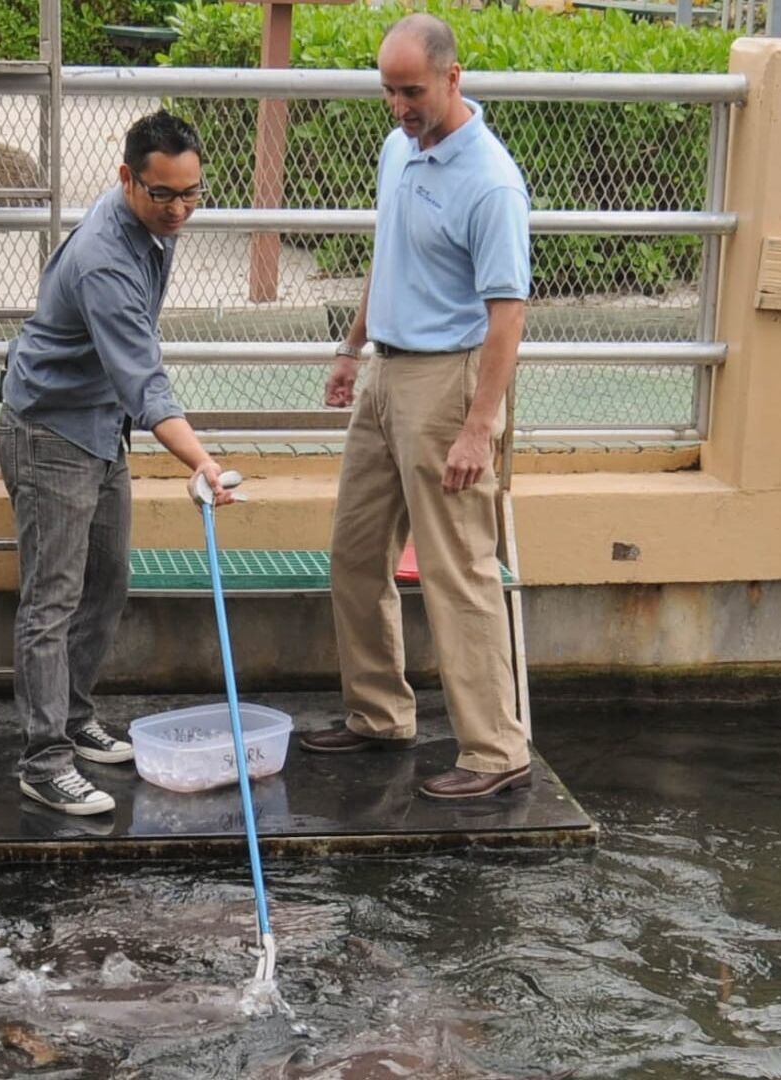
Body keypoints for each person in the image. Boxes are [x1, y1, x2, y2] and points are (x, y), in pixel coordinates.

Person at [298, 13, 533, 801]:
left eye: (413, 91)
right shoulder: (398, 147)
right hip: (385, 372)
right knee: (355, 552)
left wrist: (479, 427)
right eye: (389, 90)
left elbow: (508, 317)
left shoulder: (491, 182)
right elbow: (386, 251)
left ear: (453, 78)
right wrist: (350, 347)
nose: (399, 105)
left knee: (457, 569)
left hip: (448, 383)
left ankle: (496, 750)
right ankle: (378, 714)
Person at [0, 110, 235, 817]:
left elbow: (131, 380)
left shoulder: (154, 223)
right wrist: (203, 462)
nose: (181, 210)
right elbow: (144, 380)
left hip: (101, 424)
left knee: (107, 581)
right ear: (127, 179)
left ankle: (72, 716)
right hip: (51, 431)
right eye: (165, 195)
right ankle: (44, 762)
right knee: (52, 599)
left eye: (193, 193)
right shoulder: (106, 254)